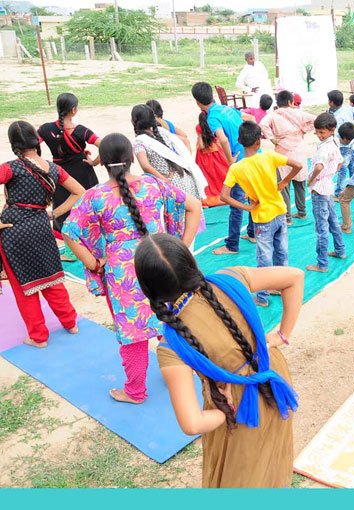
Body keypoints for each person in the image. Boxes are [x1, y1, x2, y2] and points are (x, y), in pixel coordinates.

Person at [134, 233, 301, 488]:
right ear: (189, 262)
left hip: (235, 404)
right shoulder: (231, 277)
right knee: (272, 456)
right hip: (273, 376)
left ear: (149, 289)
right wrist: (282, 334)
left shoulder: (171, 344)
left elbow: (192, 424)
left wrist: (224, 414)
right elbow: (295, 277)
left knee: (242, 475)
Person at [63, 133, 202, 404]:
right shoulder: (154, 185)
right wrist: (180, 249)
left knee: (132, 332)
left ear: (102, 161)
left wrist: (92, 263)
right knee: (170, 319)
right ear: (130, 158)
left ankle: (135, 391)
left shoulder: (95, 197)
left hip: (123, 273)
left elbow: (69, 231)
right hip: (161, 262)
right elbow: (194, 207)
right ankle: (182, 369)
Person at [1, 121, 83, 348]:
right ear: (37, 141)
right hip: (41, 227)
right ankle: (70, 322)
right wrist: (52, 213)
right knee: (52, 277)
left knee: (23, 286)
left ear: (14, 145)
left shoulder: (10, 168)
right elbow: (79, 192)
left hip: (13, 231)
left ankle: (38, 336)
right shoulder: (53, 168)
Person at [220, 122, 302, 306]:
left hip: (262, 217)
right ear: (259, 142)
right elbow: (298, 165)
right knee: (281, 252)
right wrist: (284, 182)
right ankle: (282, 286)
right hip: (280, 212)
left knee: (264, 257)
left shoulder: (236, 168)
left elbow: (224, 196)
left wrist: (247, 208)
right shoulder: (269, 157)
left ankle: (263, 296)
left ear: (240, 141)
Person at [192, 82, 257, 256]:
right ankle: (252, 233)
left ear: (197, 102)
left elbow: (223, 139)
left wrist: (231, 161)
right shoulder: (226, 109)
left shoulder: (212, 117)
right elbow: (251, 120)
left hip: (240, 163)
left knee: (235, 203)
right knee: (252, 195)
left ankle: (232, 245)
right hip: (253, 157)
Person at [37, 93, 101, 236]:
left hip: (60, 175)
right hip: (83, 173)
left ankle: (68, 241)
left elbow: (31, 144)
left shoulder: (45, 129)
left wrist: (41, 165)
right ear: (73, 110)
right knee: (88, 205)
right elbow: (103, 146)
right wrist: (94, 162)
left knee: (63, 206)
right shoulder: (81, 131)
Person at [260, 90, 316, 224]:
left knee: (284, 185)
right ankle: (302, 212)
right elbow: (316, 119)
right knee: (300, 182)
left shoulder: (273, 115)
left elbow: (262, 124)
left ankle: (287, 217)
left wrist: (273, 139)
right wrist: (303, 130)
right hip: (299, 149)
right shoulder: (299, 113)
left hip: (282, 150)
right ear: (291, 102)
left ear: (277, 103)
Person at [132, 104, 207, 202]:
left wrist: (164, 180)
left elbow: (145, 166)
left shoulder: (139, 141)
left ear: (134, 121)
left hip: (171, 184)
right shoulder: (162, 132)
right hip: (186, 177)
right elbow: (184, 140)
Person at [306, 113, 346, 273]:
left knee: (321, 228)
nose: (319, 135)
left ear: (331, 130)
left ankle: (322, 264)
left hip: (320, 190)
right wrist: (332, 173)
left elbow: (319, 166)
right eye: (317, 132)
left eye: (322, 132)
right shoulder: (334, 144)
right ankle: (340, 250)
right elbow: (341, 162)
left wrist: (311, 180)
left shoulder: (325, 148)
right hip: (328, 188)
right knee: (333, 222)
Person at [328, 90, 354, 198]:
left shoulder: (338, 118)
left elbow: (336, 133)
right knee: (352, 166)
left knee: (342, 168)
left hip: (343, 144)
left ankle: (339, 193)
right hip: (351, 141)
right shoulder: (347, 108)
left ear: (332, 102)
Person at [195, 111, 230, 207]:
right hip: (217, 151)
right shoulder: (213, 124)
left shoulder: (199, 127)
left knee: (209, 177)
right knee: (222, 173)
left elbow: (201, 145)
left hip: (204, 156)